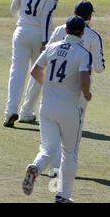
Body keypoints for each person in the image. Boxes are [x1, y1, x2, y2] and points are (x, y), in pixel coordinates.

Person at [22, 16, 92, 203]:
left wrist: (50, 86)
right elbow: (84, 79)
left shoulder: (52, 48)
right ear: (82, 32)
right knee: (70, 153)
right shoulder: (83, 52)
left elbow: (35, 71)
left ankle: (36, 167)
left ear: (66, 31)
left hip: (47, 106)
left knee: (48, 149)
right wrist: (86, 94)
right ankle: (63, 196)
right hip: (69, 108)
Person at [46, 0, 105, 178]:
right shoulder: (93, 36)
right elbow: (99, 68)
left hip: (54, 85)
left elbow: (46, 56)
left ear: (74, 11)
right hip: (79, 88)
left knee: (54, 129)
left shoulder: (59, 30)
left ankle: (52, 167)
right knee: (73, 133)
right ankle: (65, 170)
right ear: (90, 16)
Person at [4, 0, 61, 127]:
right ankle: (27, 112)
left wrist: (24, 21)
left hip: (21, 31)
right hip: (39, 34)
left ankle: (10, 111)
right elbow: (46, 15)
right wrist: (45, 40)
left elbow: (14, 8)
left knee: (17, 73)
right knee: (37, 72)